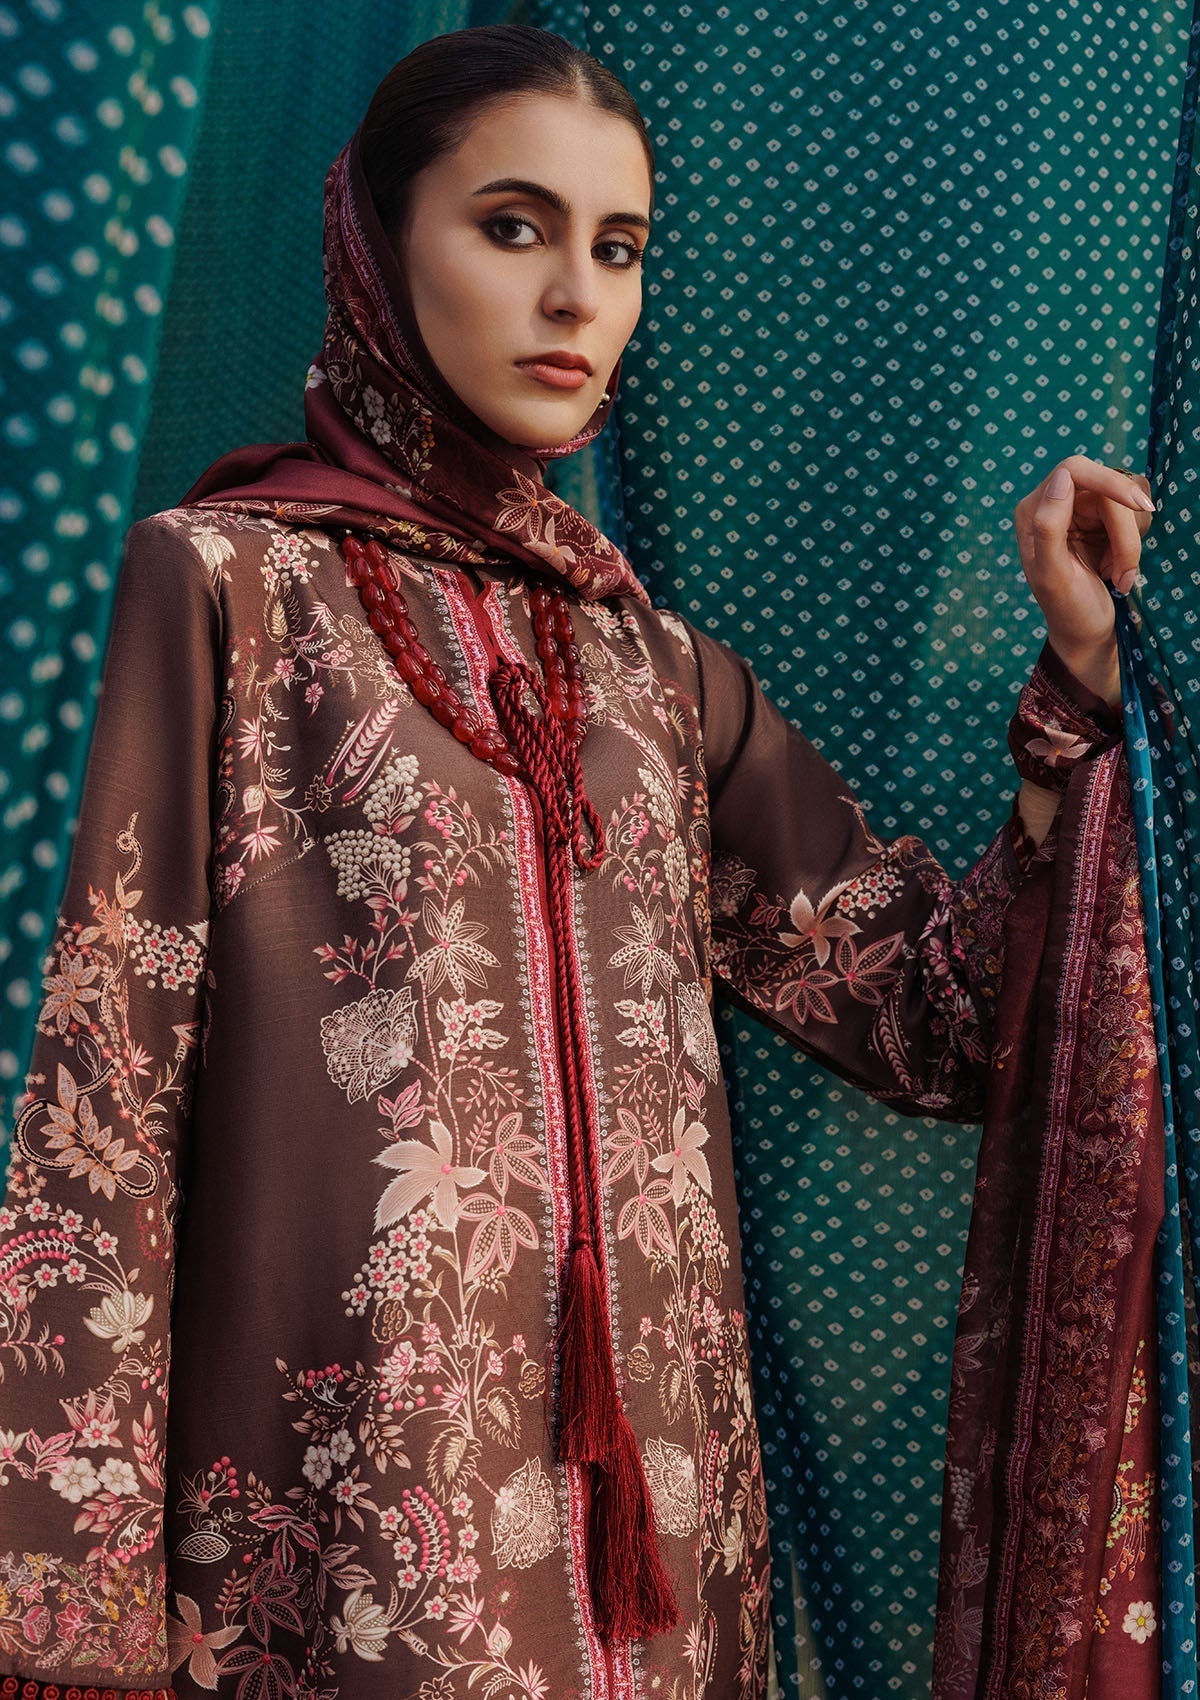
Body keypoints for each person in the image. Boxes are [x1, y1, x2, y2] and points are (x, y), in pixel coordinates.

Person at [0, 23, 1154, 1700]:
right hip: (357, 1557)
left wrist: (1075, 694)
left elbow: (945, 1019)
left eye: (619, 249)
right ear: (374, 242)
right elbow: (94, 1088)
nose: (575, 298)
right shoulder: (221, 593)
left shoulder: (650, 674)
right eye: (512, 227)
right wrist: (62, 1609)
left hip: (659, 1556)